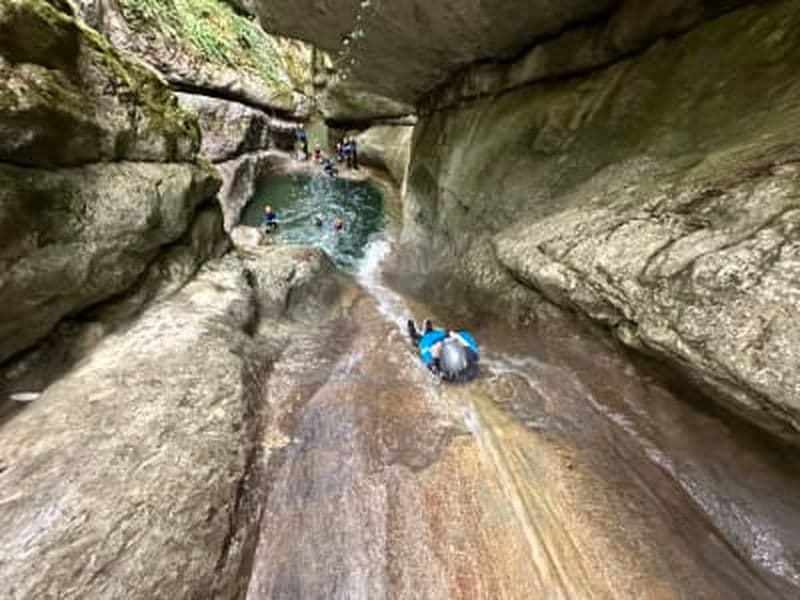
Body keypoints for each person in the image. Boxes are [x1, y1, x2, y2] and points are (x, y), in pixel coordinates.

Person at [407, 319, 479, 383]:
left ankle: (420, 337)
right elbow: (470, 347)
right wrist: (454, 336)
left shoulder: (433, 361)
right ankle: (428, 333)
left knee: (423, 343)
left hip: (439, 346)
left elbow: (427, 355)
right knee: (445, 337)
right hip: (454, 340)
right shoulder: (469, 353)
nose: (433, 348)